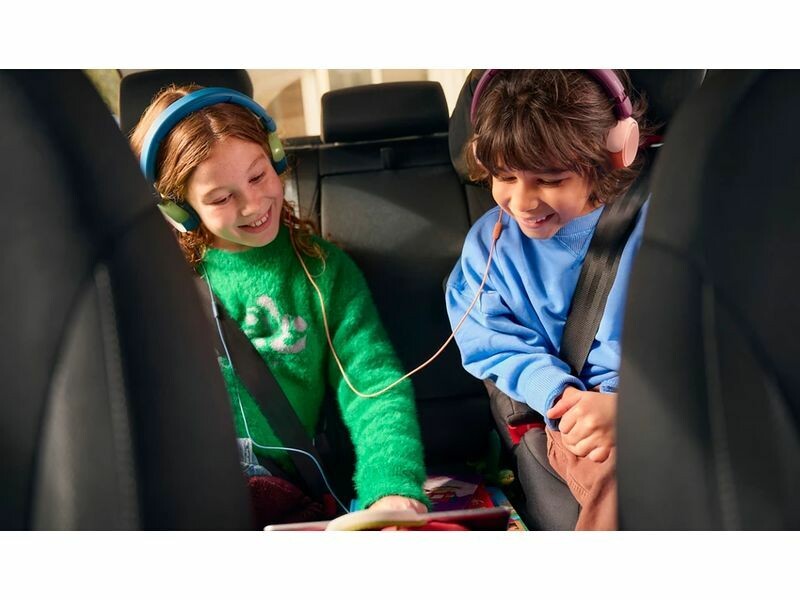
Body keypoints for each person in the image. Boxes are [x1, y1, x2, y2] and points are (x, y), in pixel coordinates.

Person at [129, 84, 429, 521]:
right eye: (221, 198)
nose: (253, 205)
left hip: (286, 498)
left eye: (257, 176)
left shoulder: (322, 272)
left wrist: (391, 487)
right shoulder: (156, 285)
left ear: (275, 157)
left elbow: (372, 386)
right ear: (179, 210)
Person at [445, 70, 653, 530]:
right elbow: (492, 341)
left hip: (662, 397)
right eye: (505, 176)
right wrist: (560, 395)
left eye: (550, 179)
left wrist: (636, 407)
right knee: (625, 477)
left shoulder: (660, 224)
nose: (522, 202)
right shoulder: (490, 248)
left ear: (612, 154)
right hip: (576, 410)